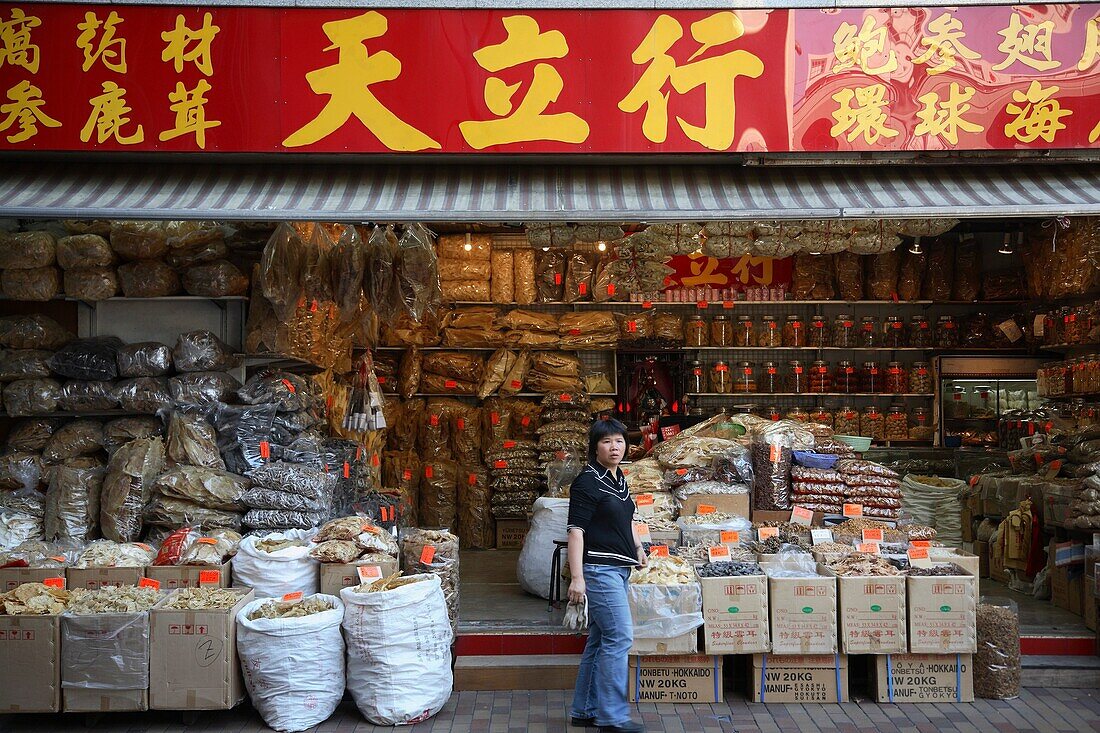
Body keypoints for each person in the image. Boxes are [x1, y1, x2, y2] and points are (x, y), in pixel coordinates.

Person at [566, 418, 646, 733]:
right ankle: (612, 717)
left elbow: (627, 517)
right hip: (599, 571)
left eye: (619, 441)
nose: (615, 447)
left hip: (619, 567)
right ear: (595, 446)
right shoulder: (587, 481)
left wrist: (637, 547)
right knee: (620, 636)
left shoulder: (618, 476)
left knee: (599, 642)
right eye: (607, 442)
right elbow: (575, 531)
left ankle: (583, 711)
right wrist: (577, 578)